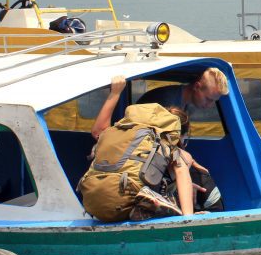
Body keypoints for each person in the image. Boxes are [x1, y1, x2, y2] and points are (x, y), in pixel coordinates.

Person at [90, 75, 208, 218]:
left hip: (94, 201)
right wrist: (188, 217)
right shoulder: (169, 145)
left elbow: (98, 131)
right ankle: (151, 202)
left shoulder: (121, 132)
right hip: (127, 199)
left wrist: (115, 93)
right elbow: (182, 173)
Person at [136, 67, 230, 111]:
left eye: (214, 101)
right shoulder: (168, 103)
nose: (209, 105)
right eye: (208, 99)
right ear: (196, 87)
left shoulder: (182, 102)